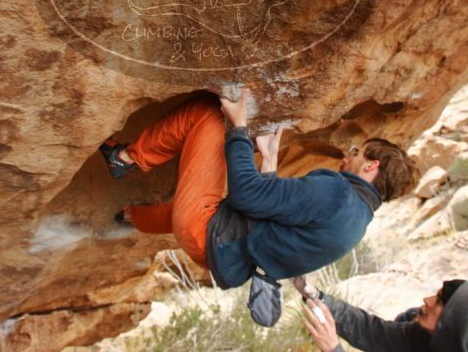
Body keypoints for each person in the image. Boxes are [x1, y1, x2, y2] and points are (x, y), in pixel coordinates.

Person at [100, 89, 419, 313]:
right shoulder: (357, 222)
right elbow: (277, 229)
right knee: (187, 208)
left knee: (207, 114)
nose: (347, 158)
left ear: (372, 166)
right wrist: (269, 163)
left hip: (206, 229)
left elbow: (247, 194)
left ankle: (125, 157)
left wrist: (238, 128)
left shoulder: (337, 194)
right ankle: (130, 217)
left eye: (356, 153)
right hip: (215, 256)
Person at [298, 277, 468, 352]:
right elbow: (374, 332)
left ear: (456, 325)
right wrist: (316, 297)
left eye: (439, 301)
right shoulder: (428, 339)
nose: (427, 301)